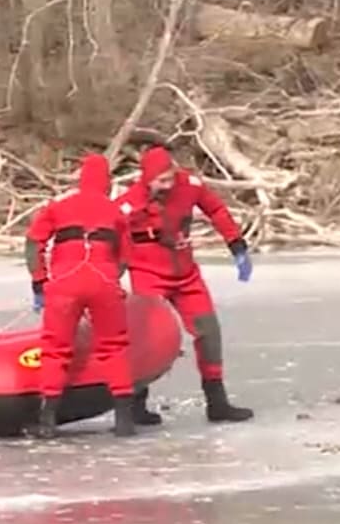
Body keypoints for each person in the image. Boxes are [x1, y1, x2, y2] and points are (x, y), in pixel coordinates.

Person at [114, 143, 254, 425]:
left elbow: (216, 210)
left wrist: (236, 245)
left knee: (209, 332)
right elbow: (111, 242)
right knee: (148, 337)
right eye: (160, 181)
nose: (167, 185)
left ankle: (217, 402)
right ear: (146, 178)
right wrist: (108, 278)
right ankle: (137, 403)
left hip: (186, 275)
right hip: (148, 274)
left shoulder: (189, 185)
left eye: (170, 178)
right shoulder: (128, 205)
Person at [24, 152, 138, 438]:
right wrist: (111, 277)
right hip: (104, 279)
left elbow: (33, 242)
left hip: (64, 280)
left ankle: (47, 420)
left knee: (55, 349)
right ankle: (124, 419)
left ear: (81, 179)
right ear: (107, 182)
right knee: (114, 346)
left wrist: (39, 282)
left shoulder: (59, 205)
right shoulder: (116, 212)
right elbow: (126, 255)